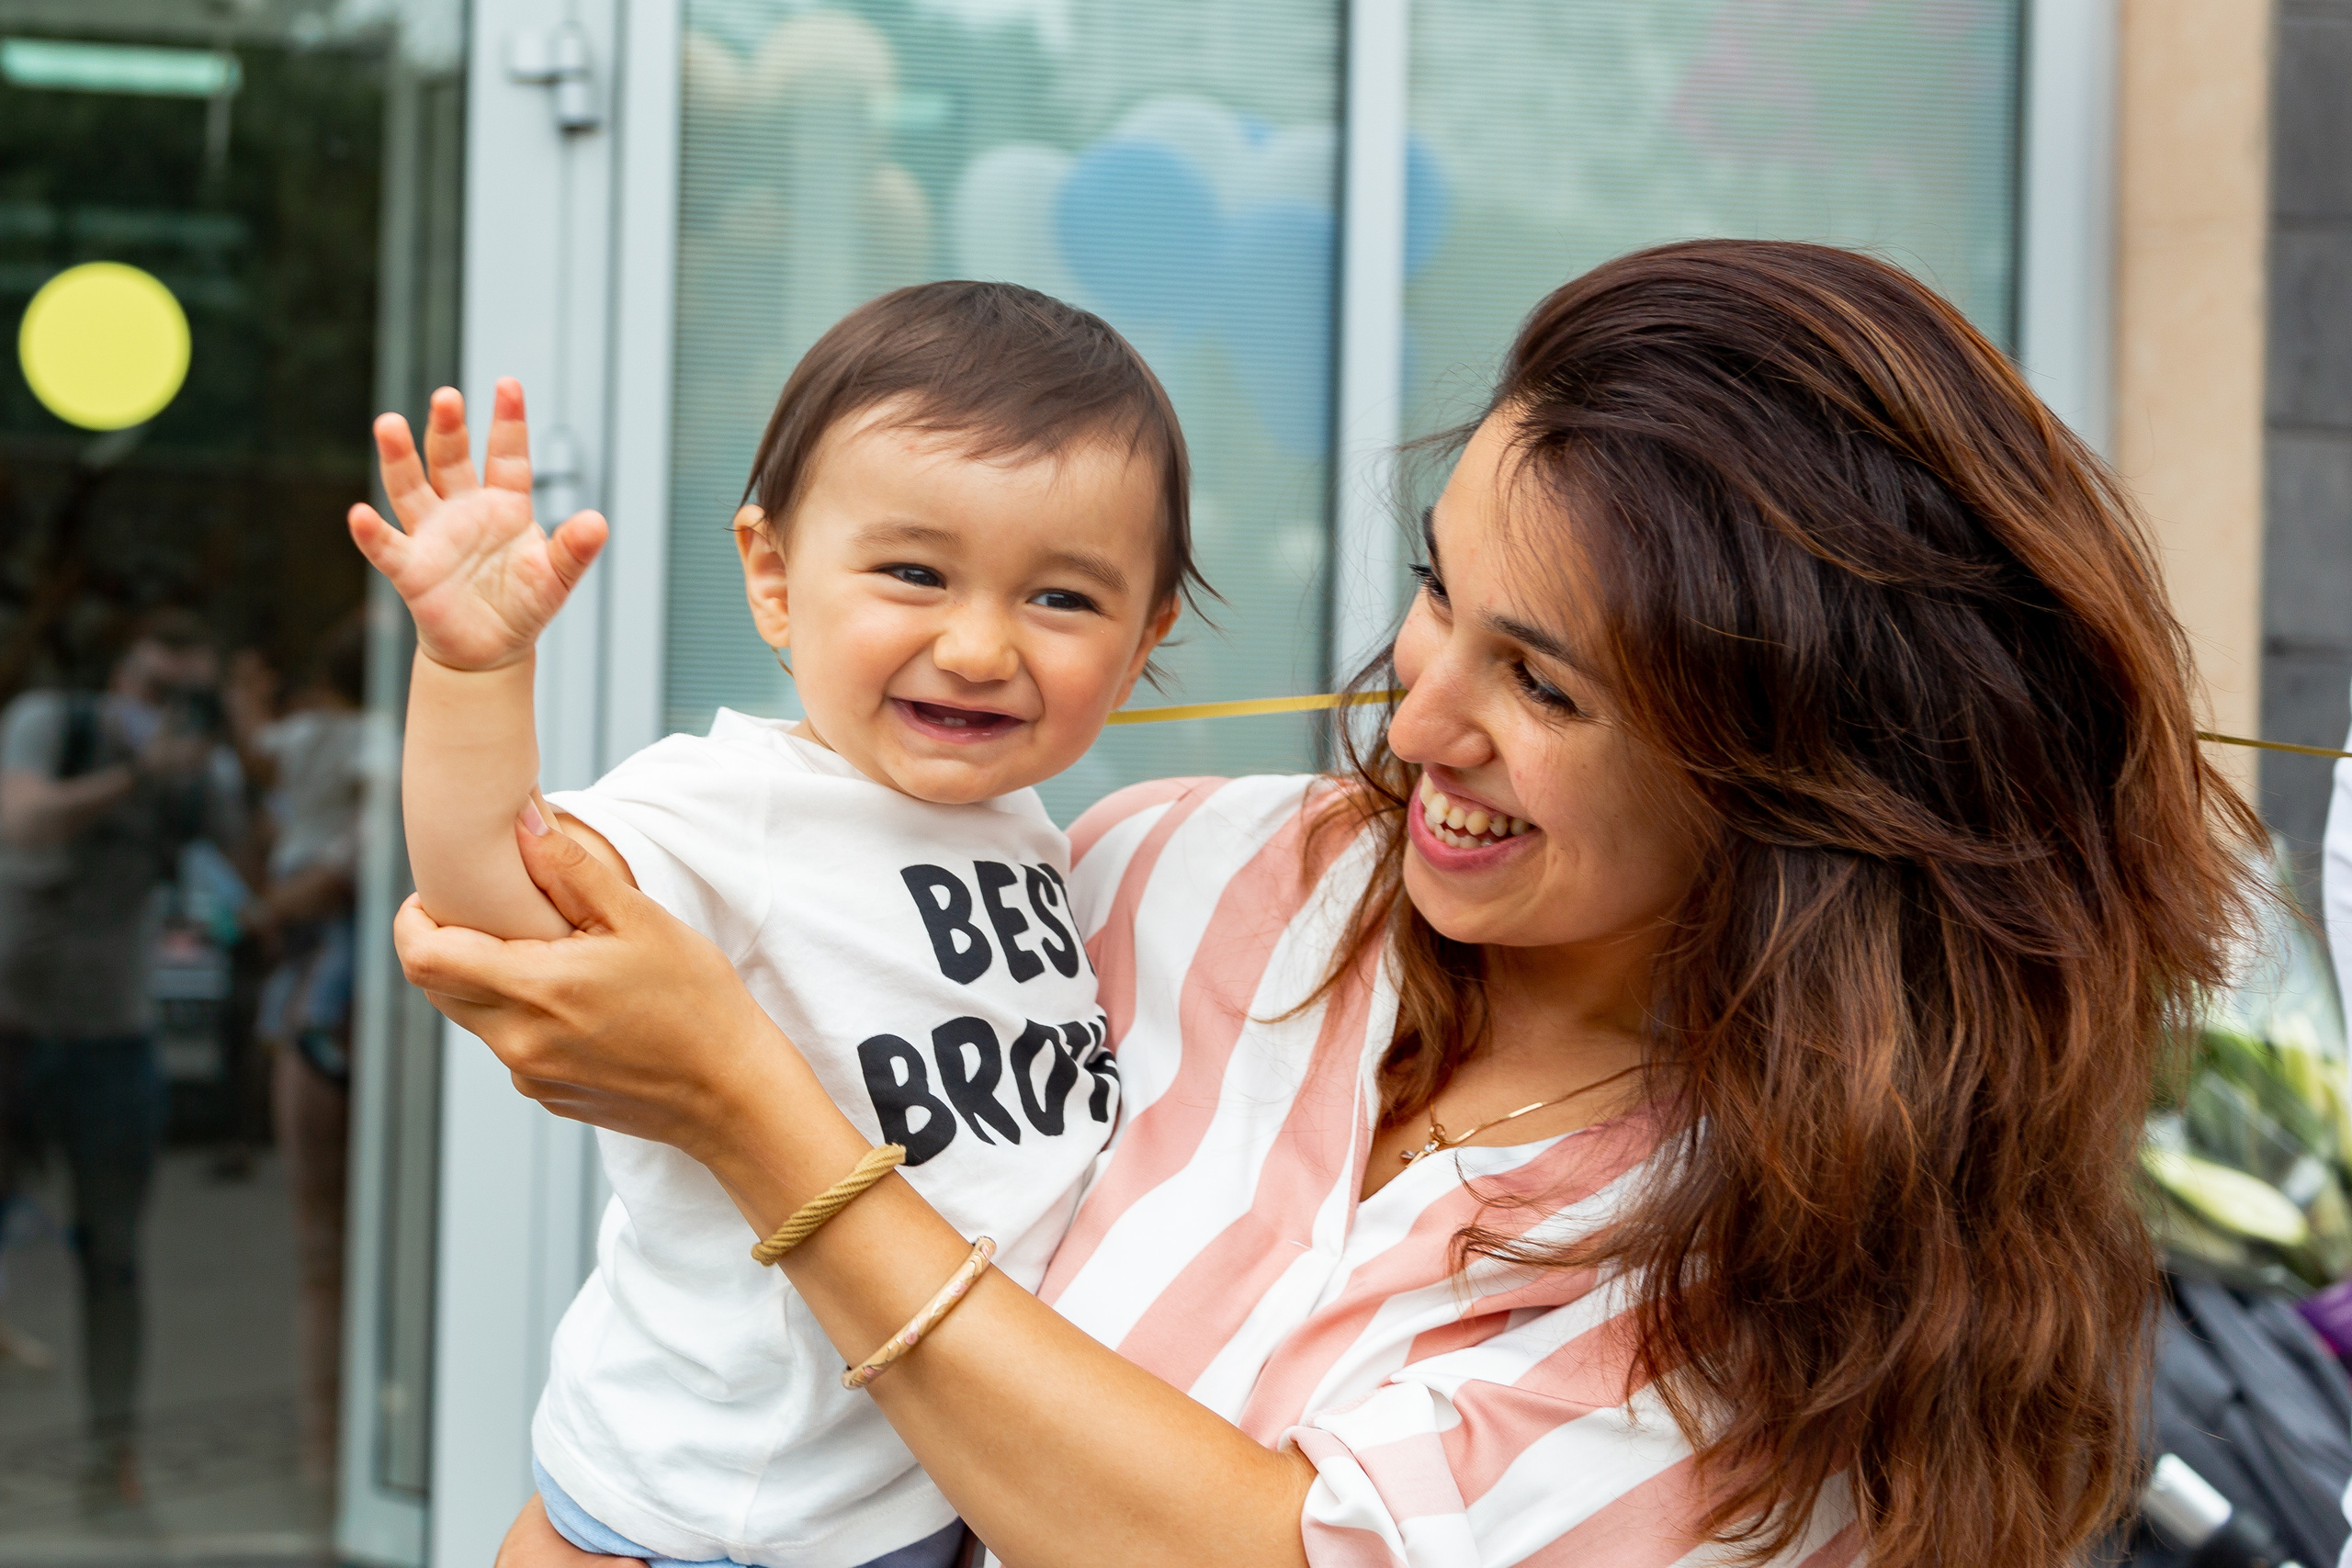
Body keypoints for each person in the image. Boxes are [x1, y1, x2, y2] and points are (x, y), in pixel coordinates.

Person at [398, 241, 2259, 1568]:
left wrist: (754, 1117)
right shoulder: (1178, 872)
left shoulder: (1796, 1278)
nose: (1416, 721)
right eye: (1438, 594)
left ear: (1794, 778)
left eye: (1544, 684)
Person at [350, 284, 1194, 1568]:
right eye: (915, 573)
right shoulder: (734, 805)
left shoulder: (1026, 830)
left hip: (926, 1485)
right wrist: (474, 672)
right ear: (775, 577)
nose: (978, 646)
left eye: (1063, 599)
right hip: (721, 1508)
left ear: (1144, 640)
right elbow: (504, 903)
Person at [0, 607, 246, 1504]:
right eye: (155, 688)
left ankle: (114, 1457)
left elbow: (249, 876)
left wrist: (237, 757)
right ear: (120, 676)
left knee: (112, 1258)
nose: (165, 710)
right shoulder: (54, 722)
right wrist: (139, 771)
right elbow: (24, 822)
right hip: (10, 1031)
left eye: (187, 695)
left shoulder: (195, 776)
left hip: (112, 1041)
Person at [232, 617, 372, 1487]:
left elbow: (257, 753)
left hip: (319, 1003)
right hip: (350, 1009)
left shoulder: (311, 735)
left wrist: (245, 695)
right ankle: (340, 1454)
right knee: (348, 1253)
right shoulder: (389, 746)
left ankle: (326, 1457)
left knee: (322, 1256)